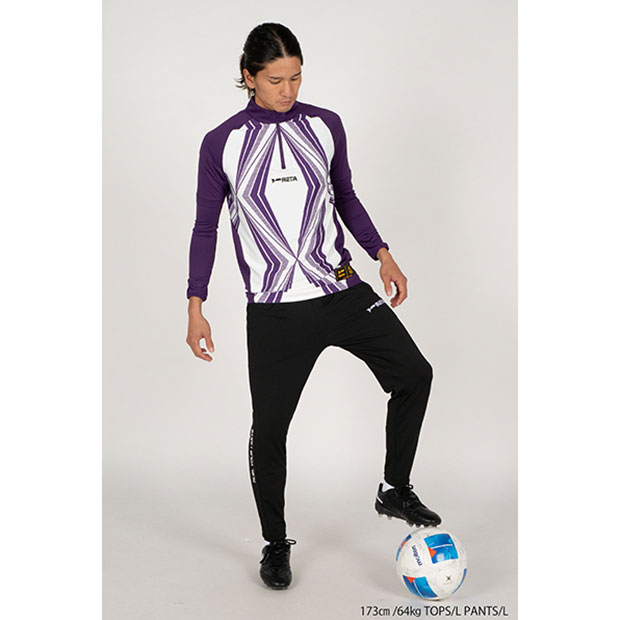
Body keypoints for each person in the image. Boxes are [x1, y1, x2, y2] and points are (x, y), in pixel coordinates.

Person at [186, 22, 441, 590]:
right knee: (270, 430)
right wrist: (195, 302)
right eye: (276, 80)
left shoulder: (325, 125)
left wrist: (382, 254)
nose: (288, 90)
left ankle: (394, 488)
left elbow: (345, 195)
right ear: (249, 77)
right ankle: (275, 543)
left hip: (341, 290)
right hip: (275, 310)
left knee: (414, 373)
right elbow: (206, 227)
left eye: (297, 78)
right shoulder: (221, 143)